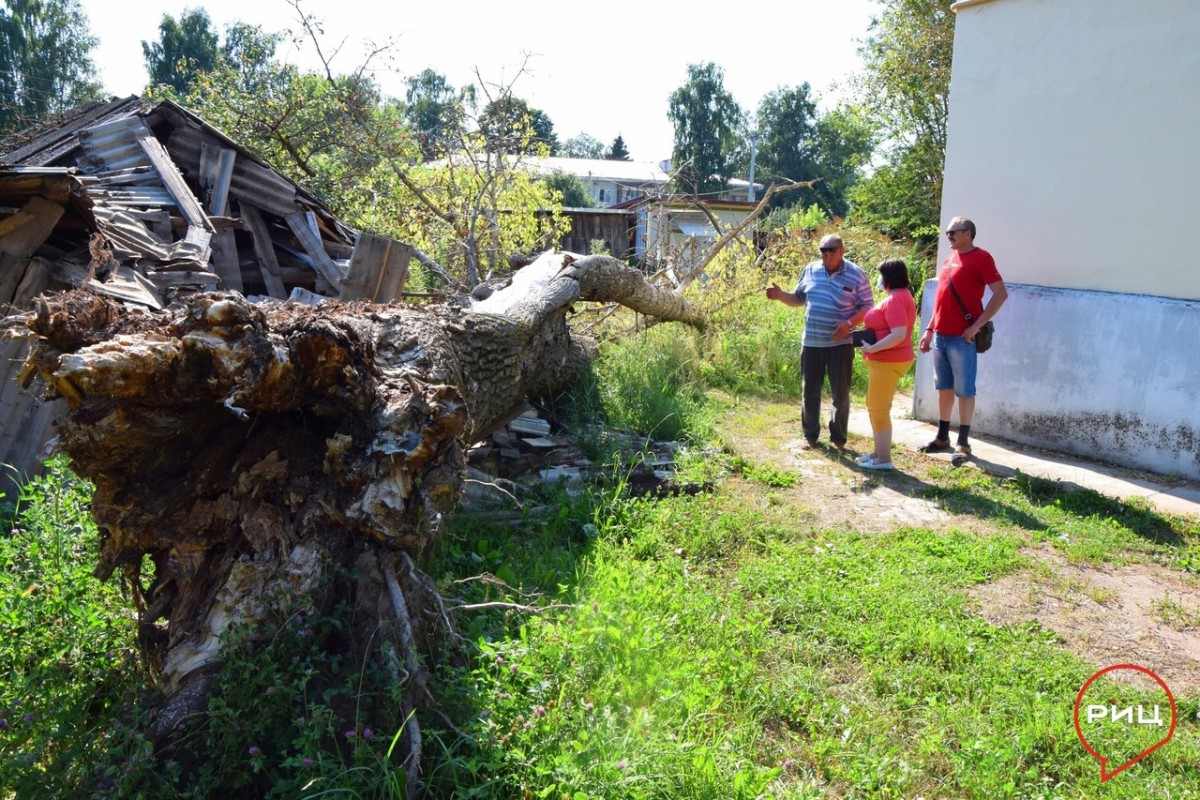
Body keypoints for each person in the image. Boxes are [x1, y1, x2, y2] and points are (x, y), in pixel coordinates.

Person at [766, 233, 873, 450]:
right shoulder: (811, 269)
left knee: (840, 393)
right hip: (812, 342)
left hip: (840, 344)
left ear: (842, 251)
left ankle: (838, 439)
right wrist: (781, 295)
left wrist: (848, 325)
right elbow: (799, 298)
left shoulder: (855, 274)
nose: (826, 254)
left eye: (831, 249)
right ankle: (810, 436)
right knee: (809, 392)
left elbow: (868, 307)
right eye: (823, 250)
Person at [918, 216, 1008, 465]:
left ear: (968, 233)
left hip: (962, 338)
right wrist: (929, 330)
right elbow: (941, 299)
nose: (948, 236)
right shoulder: (949, 258)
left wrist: (975, 326)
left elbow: (1000, 294)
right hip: (940, 336)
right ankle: (942, 437)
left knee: (965, 390)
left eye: (953, 232)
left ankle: (964, 443)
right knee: (944, 388)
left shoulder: (982, 258)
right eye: (947, 232)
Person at [854, 258, 918, 471]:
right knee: (875, 406)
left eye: (881, 274)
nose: (878, 279)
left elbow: (898, 334)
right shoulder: (899, 296)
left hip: (888, 360)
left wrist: (873, 348)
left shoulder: (895, 299)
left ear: (889, 277)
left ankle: (884, 459)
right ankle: (878, 452)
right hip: (887, 360)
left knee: (878, 408)